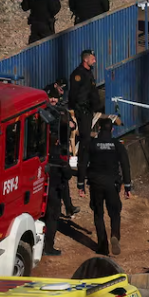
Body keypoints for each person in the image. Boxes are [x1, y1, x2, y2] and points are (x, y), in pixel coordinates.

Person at [81, 117, 132, 255]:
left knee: (98, 214)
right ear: (112, 129)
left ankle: (103, 246)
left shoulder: (92, 144)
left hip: (96, 184)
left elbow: (83, 163)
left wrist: (81, 184)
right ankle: (114, 234)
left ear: (98, 129)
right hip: (112, 184)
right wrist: (127, 186)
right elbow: (125, 165)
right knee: (115, 213)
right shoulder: (117, 145)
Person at [41, 85, 76, 255]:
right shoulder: (59, 156)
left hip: (44, 187)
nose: (53, 100)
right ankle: (48, 247)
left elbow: (72, 124)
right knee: (53, 217)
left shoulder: (43, 155)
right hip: (54, 189)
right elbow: (68, 174)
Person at [67, 50, 98, 151]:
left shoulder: (88, 73)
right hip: (82, 109)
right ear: (85, 59)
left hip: (89, 109)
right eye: (93, 59)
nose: (95, 61)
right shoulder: (78, 74)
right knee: (85, 138)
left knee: (87, 137)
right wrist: (74, 108)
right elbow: (73, 93)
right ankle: (82, 162)